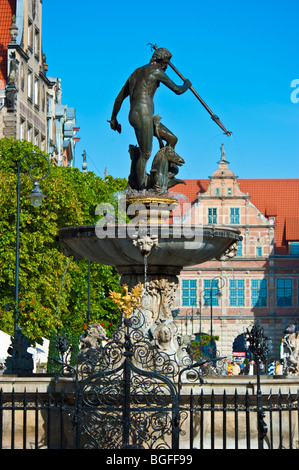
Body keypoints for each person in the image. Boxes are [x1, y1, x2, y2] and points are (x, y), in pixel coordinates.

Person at [109, 48, 192, 189]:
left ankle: (166, 172)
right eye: (165, 63)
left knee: (172, 139)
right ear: (159, 60)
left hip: (139, 114)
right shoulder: (156, 71)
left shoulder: (135, 73)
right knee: (145, 153)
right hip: (143, 114)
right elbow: (178, 90)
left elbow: (119, 99)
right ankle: (140, 188)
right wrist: (187, 85)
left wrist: (114, 119)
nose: (166, 66)